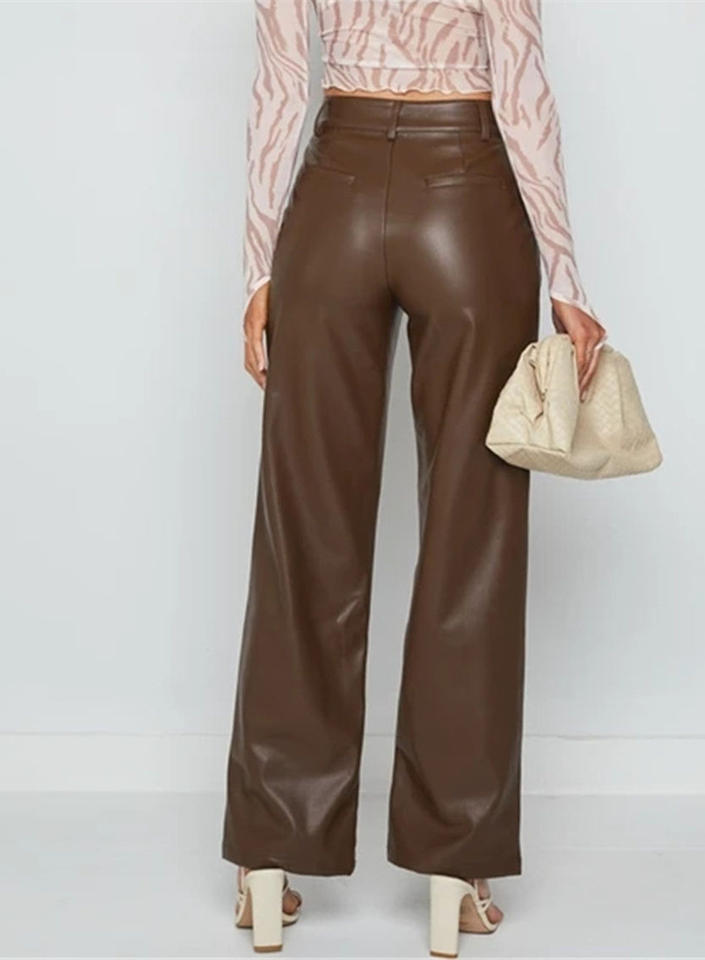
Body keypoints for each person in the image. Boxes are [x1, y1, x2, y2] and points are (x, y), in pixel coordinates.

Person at [223, 1, 606, 954]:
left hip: (332, 204)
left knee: (304, 528)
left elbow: (280, 87)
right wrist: (566, 277)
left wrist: (258, 270)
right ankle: (453, 865)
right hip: (468, 201)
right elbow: (521, 87)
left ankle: (269, 859)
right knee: (473, 535)